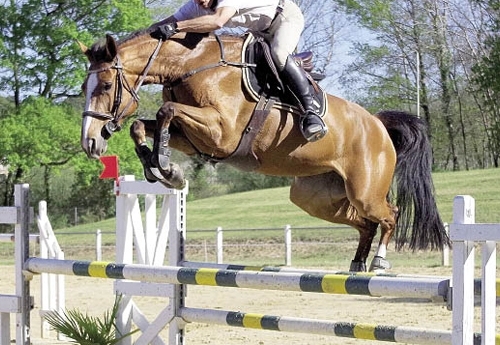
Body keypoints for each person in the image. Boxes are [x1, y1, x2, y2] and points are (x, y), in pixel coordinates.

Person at [150, 0, 328, 142]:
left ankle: (309, 111)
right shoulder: (197, 5)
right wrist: (140, 36)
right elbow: (169, 21)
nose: (199, 2)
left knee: (279, 54)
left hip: (284, 18)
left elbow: (217, 21)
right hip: (259, 30)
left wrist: (176, 28)